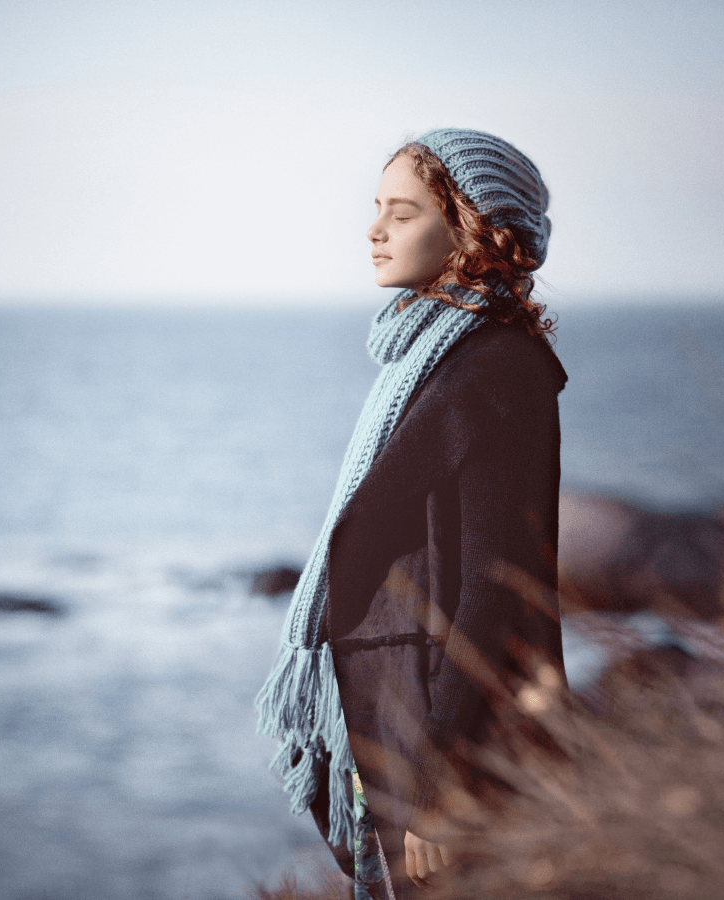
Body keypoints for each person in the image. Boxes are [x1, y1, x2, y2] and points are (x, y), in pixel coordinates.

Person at [254, 129, 567, 899]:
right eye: (377, 210)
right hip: (398, 728)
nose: (374, 230)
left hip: (440, 746)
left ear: (470, 227)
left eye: (403, 212)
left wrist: (439, 781)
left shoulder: (496, 370)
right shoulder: (429, 357)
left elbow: (498, 592)